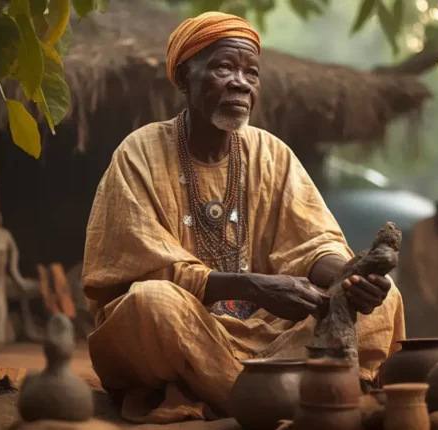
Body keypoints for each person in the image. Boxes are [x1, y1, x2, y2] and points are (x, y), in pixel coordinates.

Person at [82, 12, 405, 424]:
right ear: (184, 78)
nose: (241, 82)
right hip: (186, 327)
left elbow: (312, 244)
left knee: (383, 296)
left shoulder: (272, 153)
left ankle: (259, 391)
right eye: (223, 67)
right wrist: (254, 286)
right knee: (152, 304)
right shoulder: (139, 152)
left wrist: (351, 275)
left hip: (270, 331)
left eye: (251, 72)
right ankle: (298, 397)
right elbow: (137, 268)